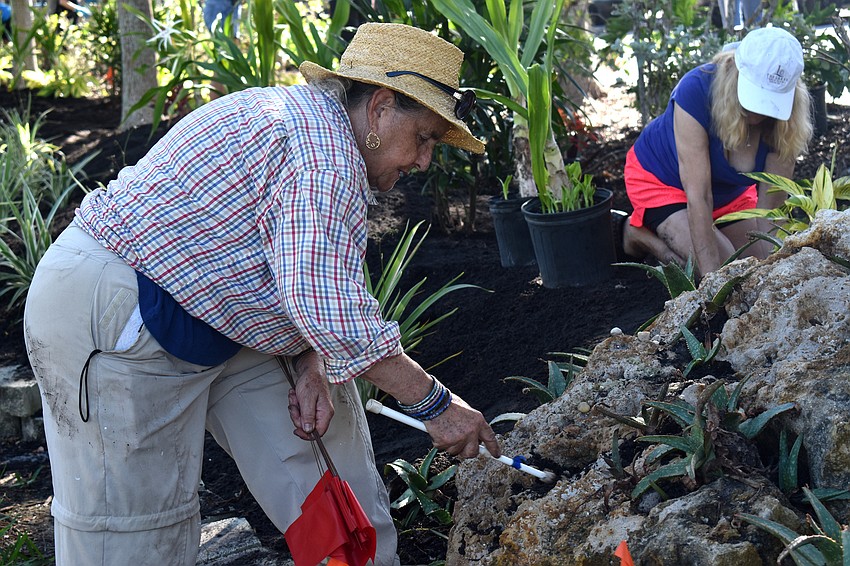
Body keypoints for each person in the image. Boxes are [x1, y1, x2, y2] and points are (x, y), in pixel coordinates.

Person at [23, 22, 500, 566]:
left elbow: (312, 278)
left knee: (330, 471)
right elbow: (327, 306)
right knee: (133, 534)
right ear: (381, 108)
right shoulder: (320, 155)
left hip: (218, 310)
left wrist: (312, 359)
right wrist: (435, 404)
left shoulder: (326, 143)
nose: (424, 161)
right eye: (425, 138)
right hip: (120, 312)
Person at [618, 26, 812, 277]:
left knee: (757, 266)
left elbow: (770, 215)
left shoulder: (787, 125)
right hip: (663, 181)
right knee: (723, 268)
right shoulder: (696, 91)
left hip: (728, 192)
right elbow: (698, 195)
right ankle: (637, 234)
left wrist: (783, 277)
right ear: (736, 71)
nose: (759, 111)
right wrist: (714, 281)